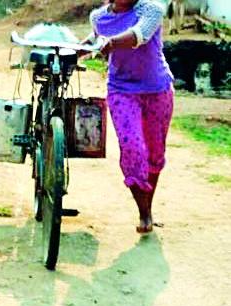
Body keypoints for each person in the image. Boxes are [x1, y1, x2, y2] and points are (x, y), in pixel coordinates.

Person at [83, 0, 174, 233]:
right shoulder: (99, 17)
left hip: (158, 89)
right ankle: (144, 212)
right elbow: (93, 41)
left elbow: (139, 35)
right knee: (133, 147)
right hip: (122, 90)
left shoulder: (151, 10)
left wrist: (110, 43)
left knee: (155, 155)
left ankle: (148, 208)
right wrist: (66, 51)